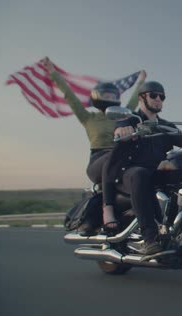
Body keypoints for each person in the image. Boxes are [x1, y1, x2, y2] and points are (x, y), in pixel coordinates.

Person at [42, 57, 146, 232]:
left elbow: (134, 102)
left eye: (113, 95)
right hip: (99, 159)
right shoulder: (88, 117)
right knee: (113, 159)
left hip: (124, 160)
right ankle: (106, 211)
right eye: (106, 95)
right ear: (97, 97)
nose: (110, 97)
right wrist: (53, 73)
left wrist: (141, 82)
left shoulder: (122, 115)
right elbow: (69, 96)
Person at [104, 81, 182, 254]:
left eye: (162, 97)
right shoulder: (131, 120)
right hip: (129, 174)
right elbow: (120, 127)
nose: (158, 99)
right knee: (140, 174)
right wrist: (122, 132)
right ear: (142, 98)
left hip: (155, 174)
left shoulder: (166, 126)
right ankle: (149, 237)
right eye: (153, 95)